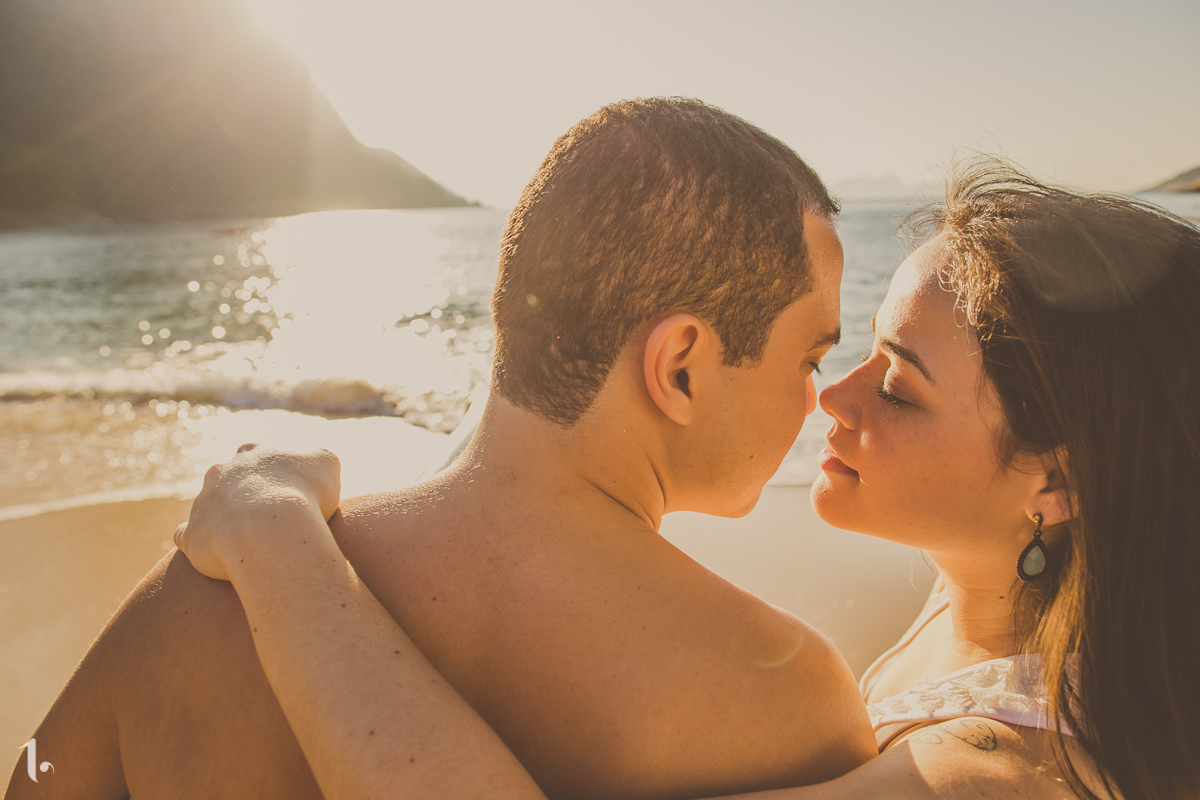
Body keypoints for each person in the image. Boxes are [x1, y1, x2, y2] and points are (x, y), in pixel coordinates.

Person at [172, 163, 1200, 800]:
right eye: (851, 351)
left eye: (898, 385)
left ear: (1056, 486)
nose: (831, 396)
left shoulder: (995, 775)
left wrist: (277, 543)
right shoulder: (993, 605)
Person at [7, 98, 876, 800]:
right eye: (809, 357)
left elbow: (37, 778)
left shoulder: (198, 590)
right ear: (679, 367)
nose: (817, 395)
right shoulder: (782, 697)